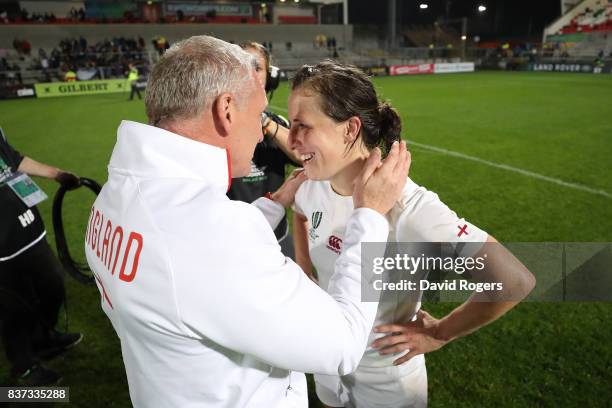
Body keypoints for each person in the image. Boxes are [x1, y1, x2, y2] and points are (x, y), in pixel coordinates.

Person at [84, 35, 410, 407]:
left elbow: (189, 262)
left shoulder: (119, 193)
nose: (260, 132)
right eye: (258, 116)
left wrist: (273, 205)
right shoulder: (210, 234)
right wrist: (369, 216)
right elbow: (343, 343)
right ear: (226, 110)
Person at [289, 61, 536, 408]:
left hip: (387, 382)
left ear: (350, 129)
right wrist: (303, 265)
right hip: (327, 363)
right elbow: (301, 212)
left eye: (303, 126)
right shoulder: (313, 184)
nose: (291, 140)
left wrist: (440, 332)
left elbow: (513, 281)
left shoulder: (412, 210)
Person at [0, 127, 82, 386]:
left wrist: (56, 174)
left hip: (28, 228)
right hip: (2, 247)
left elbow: (14, 160)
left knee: (53, 285)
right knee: (14, 309)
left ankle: (43, 338)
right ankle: (24, 366)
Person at [227, 42, 301, 258]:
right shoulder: (215, 126)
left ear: (270, 77)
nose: (250, 74)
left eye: (257, 67)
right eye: (242, 66)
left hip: (275, 236)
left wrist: (265, 122)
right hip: (231, 240)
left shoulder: (277, 124)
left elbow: (301, 155)